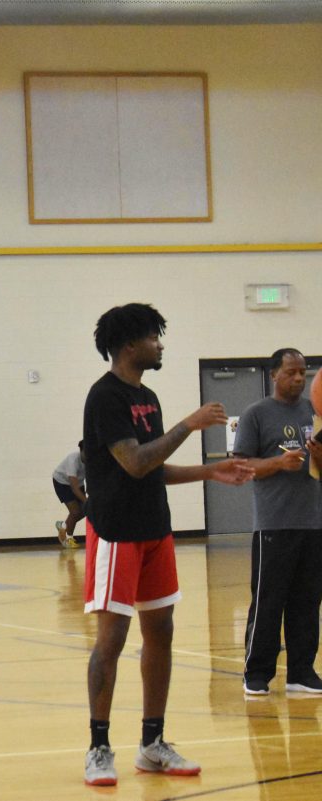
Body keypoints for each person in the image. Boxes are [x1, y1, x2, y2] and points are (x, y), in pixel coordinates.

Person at [80, 303, 253, 787]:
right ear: (130, 344)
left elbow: (152, 468)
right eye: (155, 336)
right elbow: (134, 463)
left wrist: (208, 471)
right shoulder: (105, 397)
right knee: (111, 641)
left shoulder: (148, 397)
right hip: (116, 532)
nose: (160, 344)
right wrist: (190, 424)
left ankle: (152, 743)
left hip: (155, 529)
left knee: (162, 635)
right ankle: (98, 747)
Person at [234, 348, 322, 696]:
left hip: (313, 523)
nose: (299, 378)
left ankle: (301, 672)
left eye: (303, 372)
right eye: (291, 372)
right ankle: (256, 673)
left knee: (308, 601)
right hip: (274, 524)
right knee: (269, 600)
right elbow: (240, 467)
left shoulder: (315, 411)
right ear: (274, 374)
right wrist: (276, 463)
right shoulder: (256, 414)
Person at [52, 442, 86, 547]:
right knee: (75, 511)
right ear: (81, 451)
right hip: (62, 482)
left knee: (85, 510)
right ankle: (68, 539)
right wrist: (88, 501)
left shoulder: (94, 459)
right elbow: (75, 489)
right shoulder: (73, 460)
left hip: (78, 482)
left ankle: (63, 526)